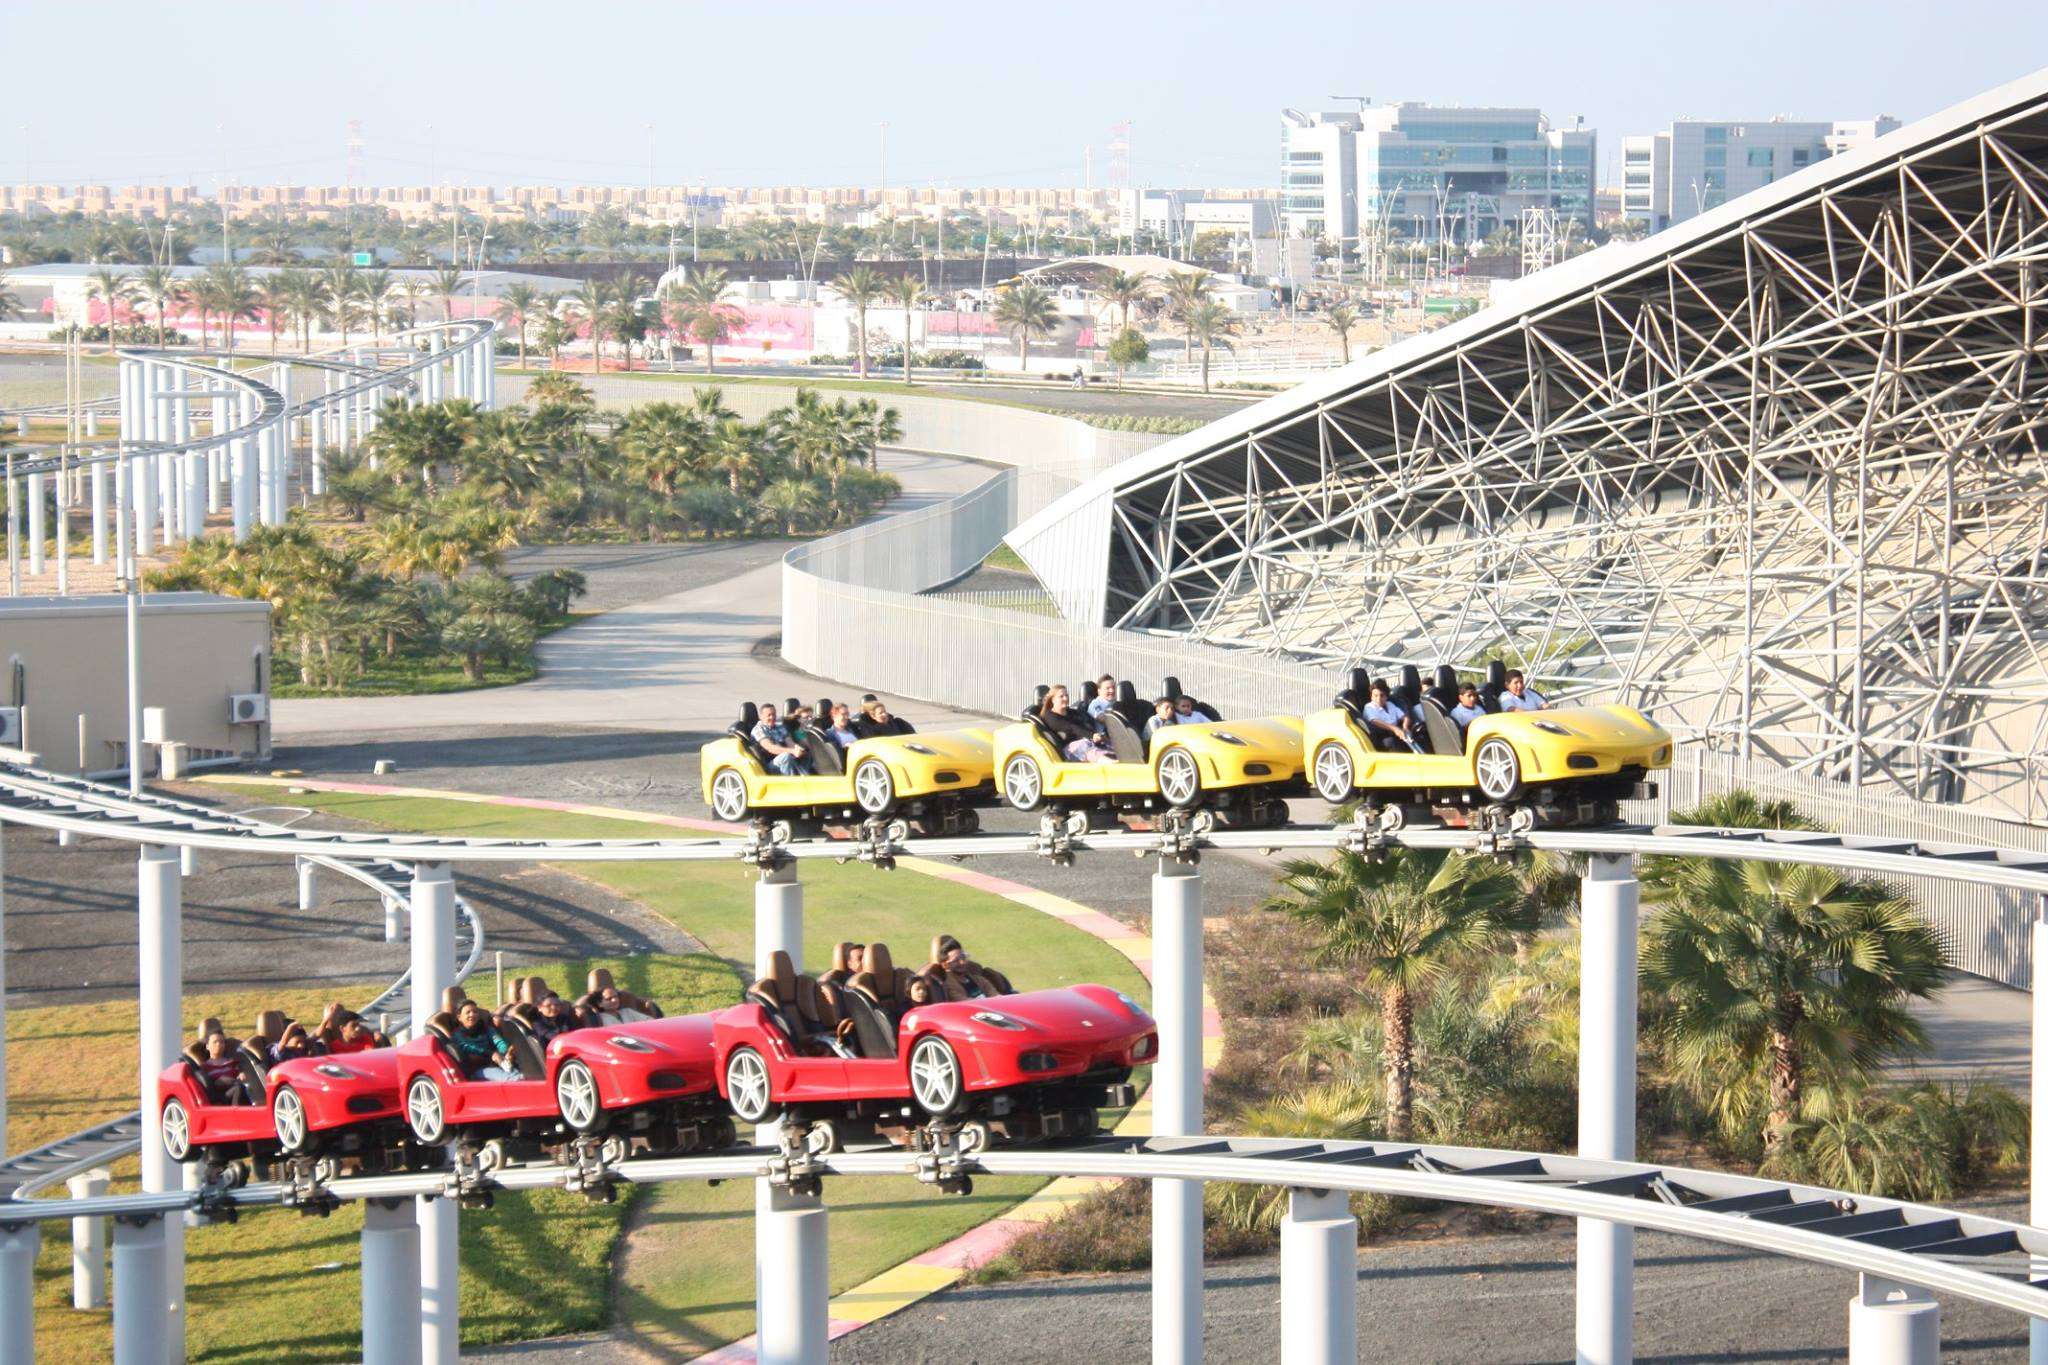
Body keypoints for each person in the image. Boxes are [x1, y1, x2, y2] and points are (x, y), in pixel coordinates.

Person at [1038, 684, 1114, 763]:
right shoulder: (1050, 717)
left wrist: (1097, 735)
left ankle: (1117, 757)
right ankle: (1108, 763)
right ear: (1053, 699)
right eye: (1061, 696)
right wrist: (1092, 735)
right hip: (1067, 750)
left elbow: (1085, 724)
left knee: (1104, 742)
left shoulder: (1072, 712)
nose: (1065, 698)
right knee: (1084, 744)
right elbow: (1072, 728)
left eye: (1066, 695)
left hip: (1085, 743)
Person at [447, 1000, 519, 1081]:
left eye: (475, 1012)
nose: (472, 1014)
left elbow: (499, 1042)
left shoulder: (487, 1029)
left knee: (519, 1074)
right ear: (459, 1017)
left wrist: (506, 1052)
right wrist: (491, 1054)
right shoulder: (457, 1035)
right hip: (477, 1069)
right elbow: (469, 1047)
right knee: (513, 1078)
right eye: (468, 1012)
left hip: (496, 1063)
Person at [750, 702, 811, 776]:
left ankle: (806, 778)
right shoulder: (758, 729)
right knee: (786, 756)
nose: (772, 717)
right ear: (761, 717)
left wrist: (798, 749)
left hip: (785, 757)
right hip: (769, 763)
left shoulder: (780, 726)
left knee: (806, 753)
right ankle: (791, 783)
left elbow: (790, 742)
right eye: (769, 715)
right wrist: (792, 751)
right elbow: (770, 748)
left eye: (774, 714)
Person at [1361, 682, 1421, 753]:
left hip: (1397, 733)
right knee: (1391, 742)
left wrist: (1405, 727)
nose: (1379, 699)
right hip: (1381, 737)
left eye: (1382, 695)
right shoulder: (1369, 707)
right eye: (1375, 696)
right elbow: (1374, 721)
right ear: (1371, 696)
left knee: (1419, 737)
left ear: (1386, 696)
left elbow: (1405, 717)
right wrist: (1394, 729)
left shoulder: (1390, 705)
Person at [196, 1032, 244, 1103]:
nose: (219, 1044)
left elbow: (239, 1074)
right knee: (237, 1088)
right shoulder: (204, 1067)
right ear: (207, 1046)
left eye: (222, 1042)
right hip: (219, 1096)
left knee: (240, 1087)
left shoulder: (232, 1062)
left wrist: (241, 1074)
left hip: (238, 1089)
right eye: (215, 1042)